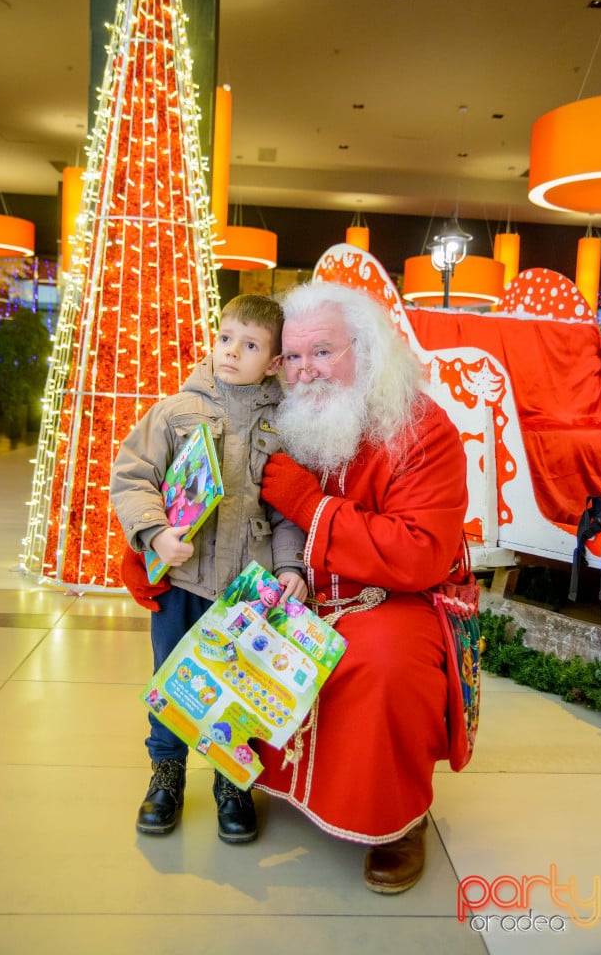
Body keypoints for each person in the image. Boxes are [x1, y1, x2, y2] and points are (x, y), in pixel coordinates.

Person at [257, 280, 469, 894]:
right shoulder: (274, 419)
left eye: (322, 352)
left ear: (366, 351)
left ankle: (395, 820)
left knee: (382, 663)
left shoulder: (422, 429)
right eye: (292, 357)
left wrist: (308, 503)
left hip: (391, 599)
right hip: (291, 584)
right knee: (221, 632)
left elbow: (420, 553)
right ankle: (241, 780)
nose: (305, 371)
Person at [110, 294, 307, 843]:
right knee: (175, 681)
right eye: (225, 339)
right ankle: (166, 772)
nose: (230, 352)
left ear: (272, 361)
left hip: (248, 592)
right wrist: (155, 532)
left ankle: (230, 779)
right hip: (184, 582)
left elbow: (287, 508)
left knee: (236, 685)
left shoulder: (284, 426)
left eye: (249, 345)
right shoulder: (176, 411)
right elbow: (131, 477)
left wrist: (290, 566)